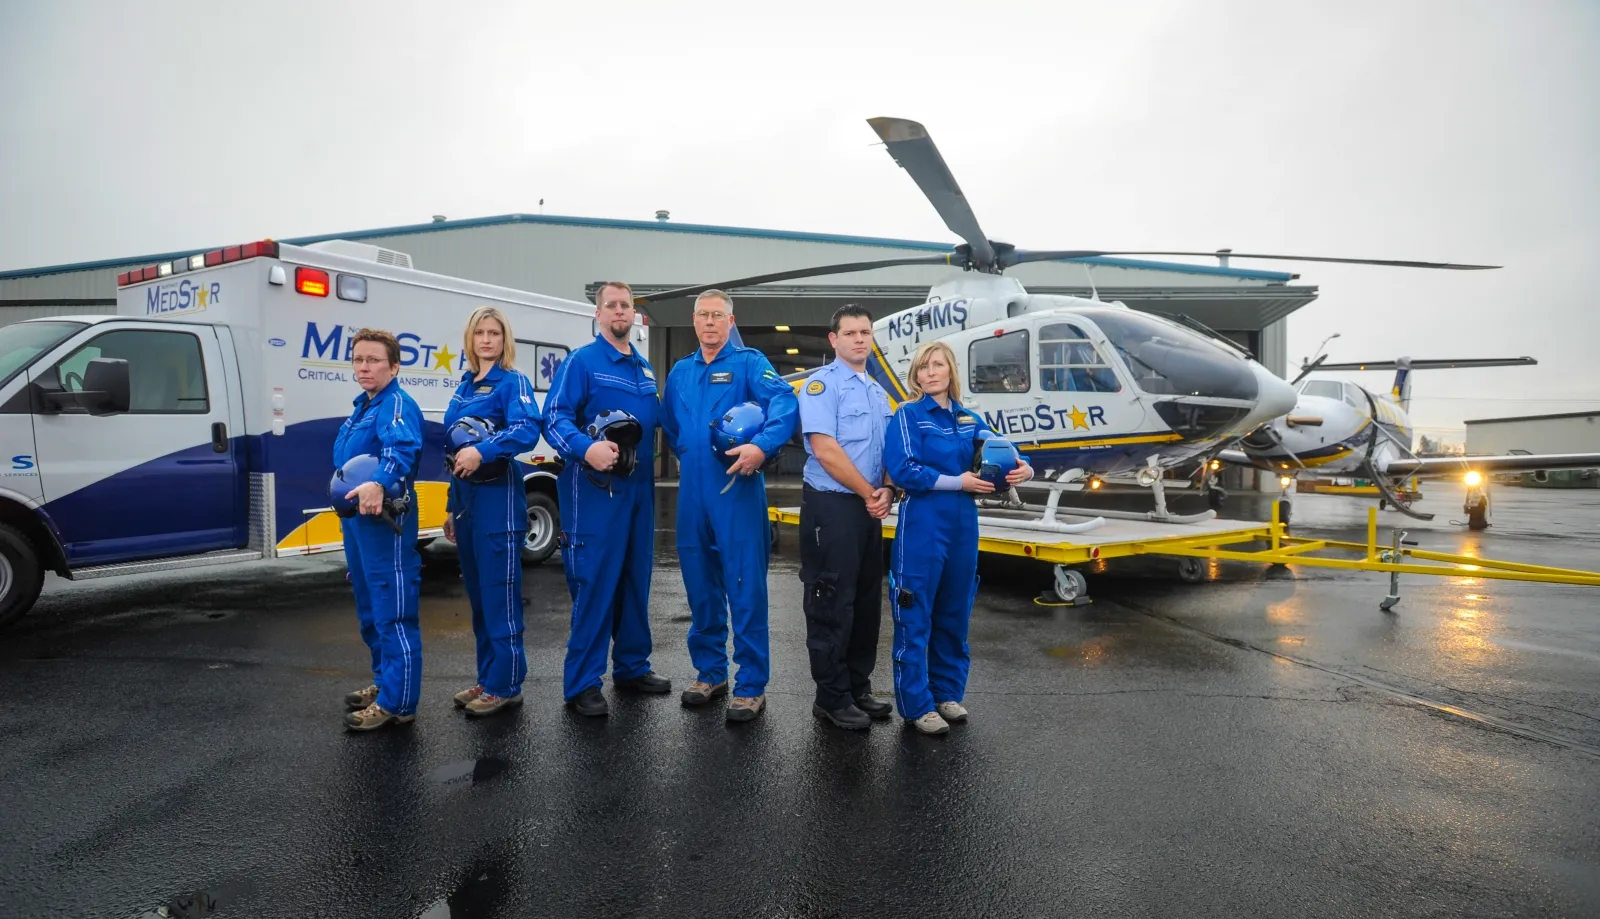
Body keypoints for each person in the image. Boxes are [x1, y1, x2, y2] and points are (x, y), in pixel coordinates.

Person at [660, 290, 798, 723]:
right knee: (700, 584)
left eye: (718, 315)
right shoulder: (680, 372)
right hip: (692, 491)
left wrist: (762, 445)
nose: (710, 322)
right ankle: (710, 672)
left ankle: (751, 684)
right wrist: (691, 454)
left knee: (745, 586)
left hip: (737, 488)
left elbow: (784, 402)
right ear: (693, 320)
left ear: (730, 321)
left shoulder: (749, 363)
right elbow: (670, 424)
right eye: (703, 314)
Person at [884, 340, 1033, 735]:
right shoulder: (908, 415)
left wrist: (1025, 469)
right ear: (916, 376)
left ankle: (946, 692)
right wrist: (959, 482)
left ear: (950, 371)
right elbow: (903, 469)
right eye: (923, 367)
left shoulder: (969, 419)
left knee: (954, 610)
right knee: (915, 612)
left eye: (937, 365)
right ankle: (917, 705)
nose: (930, 372)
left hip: (964, 524)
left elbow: (1004, 450)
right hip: (923, 522)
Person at [542, 281, 670, 716]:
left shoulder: (644, 369)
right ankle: (582, 682)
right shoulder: (582, 362)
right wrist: (586, 448)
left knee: (635, 579)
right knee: (595, 582)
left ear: (634, 314)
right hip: (595, 490)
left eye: (625, 305)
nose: (619, 311)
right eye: (611, 305)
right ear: (598, 314)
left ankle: (632, 667)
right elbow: (553, 419)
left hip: (638, 490)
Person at [796, 303, 895, 730]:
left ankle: (857, 686)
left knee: (867, 602)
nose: (859, 339)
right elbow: (825, 450)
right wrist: (870, 492)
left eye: (865, 332)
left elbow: (890, 451)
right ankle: (831, 697)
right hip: (832, 506)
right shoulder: (822, 385)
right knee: (831, 601)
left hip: (869, 507)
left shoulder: (877, 392)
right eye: (851, 333)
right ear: (834, 340)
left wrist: (888, 488)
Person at [443, 306, 544, 718]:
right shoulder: (465, 385)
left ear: (505, 340)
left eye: (494, 333)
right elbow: (454, 448)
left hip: (497, 500)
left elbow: (527, 429)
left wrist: (484, 450)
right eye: (480, 333)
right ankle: (488, 677)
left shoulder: (512, 381)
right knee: (480, 599)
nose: (486, 340)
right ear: (470, 339)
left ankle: (506, 684)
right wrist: (451, 506)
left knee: (499, 596)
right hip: (466, 501)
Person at [336, 328, 425, 732]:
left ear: (394, 366)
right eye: (358, 360)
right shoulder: (364, 406)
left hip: (386, 518)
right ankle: (385, 682)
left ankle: (398, 702)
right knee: (371, 608)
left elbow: (400, 450)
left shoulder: (395, 404)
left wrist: (379, 481)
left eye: (373, 360)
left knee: (393, 609)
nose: (364, 367)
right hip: (359, 521)